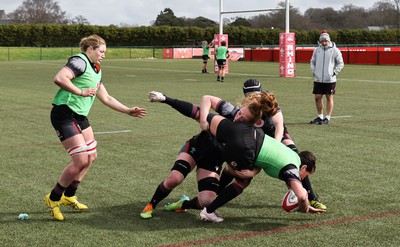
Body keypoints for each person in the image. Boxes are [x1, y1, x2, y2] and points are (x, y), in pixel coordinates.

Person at [44, 35, 147, 221]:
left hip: (79, 116)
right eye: (101, 51)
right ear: (90, 49)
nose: (104, 55)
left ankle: (69, 195)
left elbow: (106, 98)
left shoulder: (96, 68)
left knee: (91, 157)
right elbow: (60, 78)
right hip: (64, 114)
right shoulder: (79, 62)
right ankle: (53, 199)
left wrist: (127, 111)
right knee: (80, 160)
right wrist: (80, 91)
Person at [140, 91, 278, 219]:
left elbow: (261, 158)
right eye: (240, 113)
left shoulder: (252, 136)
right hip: (196, 148)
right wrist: (165, 99)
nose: (238, 117)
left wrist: (253, 172)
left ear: (252, 123)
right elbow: (200, 106)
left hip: (213, 161)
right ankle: (151, 205)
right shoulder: (229, 113)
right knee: (174, 179)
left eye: (243, 118)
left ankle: (183, 204)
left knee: (207, 201)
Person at [198, 99, 326, 223]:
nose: (303, 179)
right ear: (303, 167)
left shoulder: (291, 154)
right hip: (243, 146)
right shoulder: (292, 169)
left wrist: (253, 172)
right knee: (241, 181)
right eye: (306, 176)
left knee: (200, 115)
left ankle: (209, 201)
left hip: (248, 142)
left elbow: (265, 158)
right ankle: (209, 209)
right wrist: (304, 208)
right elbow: (303, 197)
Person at [310, 30, 344, 125]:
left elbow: (340, 63)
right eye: (322, 41)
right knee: (317, 97)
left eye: (325, 41)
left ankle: (327, 118)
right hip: (318, 79)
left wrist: (333, 72)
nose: (324, 42)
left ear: (328, 40)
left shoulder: (335, 50)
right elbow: (312, 61)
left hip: (330, 79)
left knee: (329, 97)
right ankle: (320, 116)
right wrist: (314, 71)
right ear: (320, 41)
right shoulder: (317, 50)